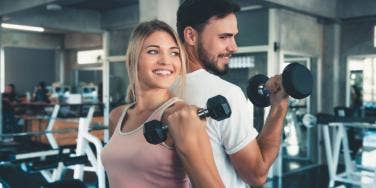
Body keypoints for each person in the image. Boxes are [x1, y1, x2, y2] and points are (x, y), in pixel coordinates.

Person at [175, 0, 289, 187]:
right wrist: (280, 105)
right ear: (191, 36)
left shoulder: (159, 89)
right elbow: (257, 175)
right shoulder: (226, 94)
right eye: (224, 37)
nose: (233, 47)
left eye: (234, 37)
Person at [101, 20, 223, 188]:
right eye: (153, 51)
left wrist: (188, 144)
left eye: (174, 53)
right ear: (132, 59)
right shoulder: (117, 116)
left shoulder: (180, 116)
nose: (166, 61)